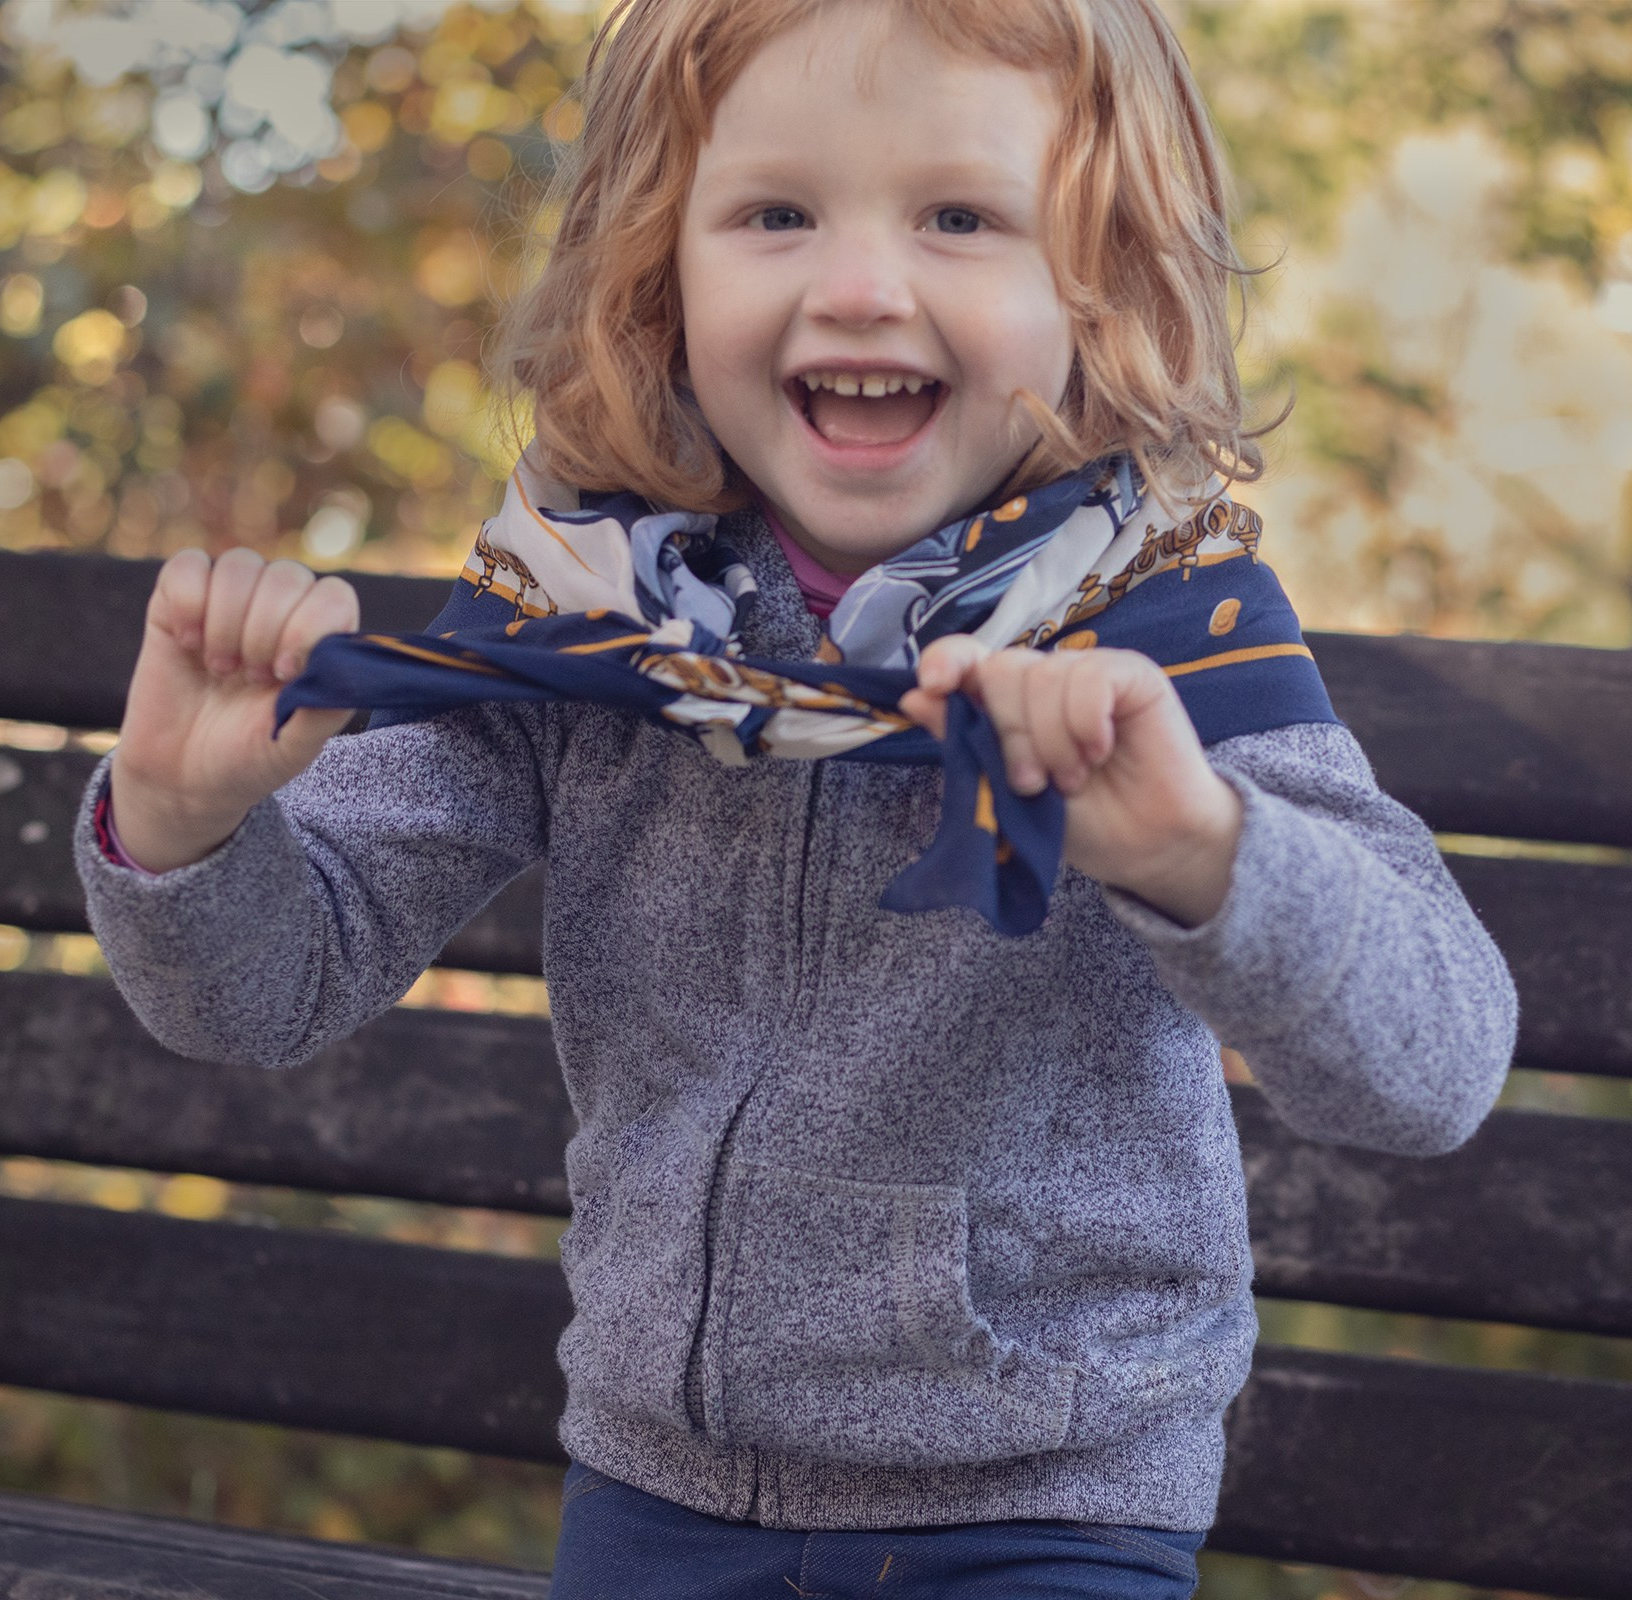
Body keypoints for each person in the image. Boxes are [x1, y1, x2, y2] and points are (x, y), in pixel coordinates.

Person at [75, 0, 1518, 1593]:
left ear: (1097, 278)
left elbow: (1434, 1059)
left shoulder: (1161, 640)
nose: (858, 286)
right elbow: (270, 990)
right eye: (774, 213)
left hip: (1041, 1505)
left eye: (960, 217)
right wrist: (183, 826)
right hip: (651, 1494)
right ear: (658, 266)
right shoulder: (594, 611)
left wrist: (1202, 857)